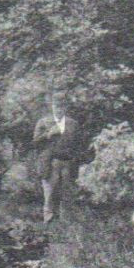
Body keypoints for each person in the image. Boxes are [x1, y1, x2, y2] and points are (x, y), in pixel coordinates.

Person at [33, 95, 81, 223]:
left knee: (66, 191)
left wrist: (75, 159)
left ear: (66, 108)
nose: (58, 109)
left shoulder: (73, 123)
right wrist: (48, 134)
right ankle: (48, 219)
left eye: (61, 106)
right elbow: (35, 143)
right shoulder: (43, 122)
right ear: (52, 107)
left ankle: (65, 220)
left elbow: (78, 144)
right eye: (56, 106)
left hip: (67, 162)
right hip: (50, 162)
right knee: (49, 192)